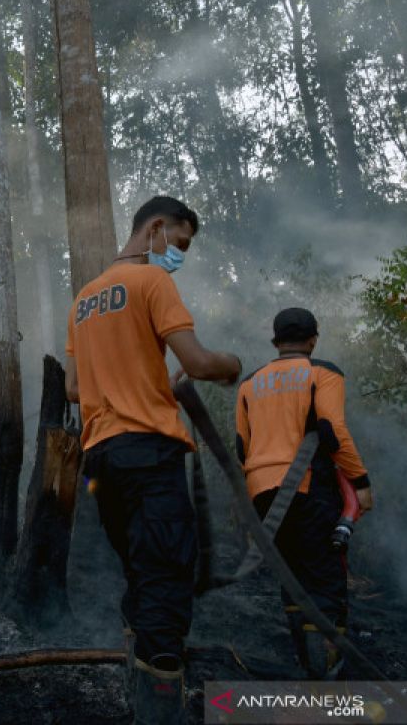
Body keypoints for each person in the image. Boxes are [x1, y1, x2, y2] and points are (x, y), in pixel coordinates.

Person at [66, 195, 241, 725]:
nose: (179, 255)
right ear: (157, 228)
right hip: (149, 454)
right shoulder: (153, 282)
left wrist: (148, 385)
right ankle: (159, 709)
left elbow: (75, 389)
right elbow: (197, 360)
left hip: (101, 459)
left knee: (141, 573)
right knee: (166, 580)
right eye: (180, 244)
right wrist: (232, 364)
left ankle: (138, 688)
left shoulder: (84, 299)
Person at [235, 307, 373, 679]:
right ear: (313, 339)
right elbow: (332, 431)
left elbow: (241, 447)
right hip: (308, 488)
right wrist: (360, 484)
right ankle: (326, 682)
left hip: (263, 494)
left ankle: (305, 664)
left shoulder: (249, 383)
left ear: (276, 342)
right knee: (325, 580)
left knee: (293, 577)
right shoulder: (323, 373)